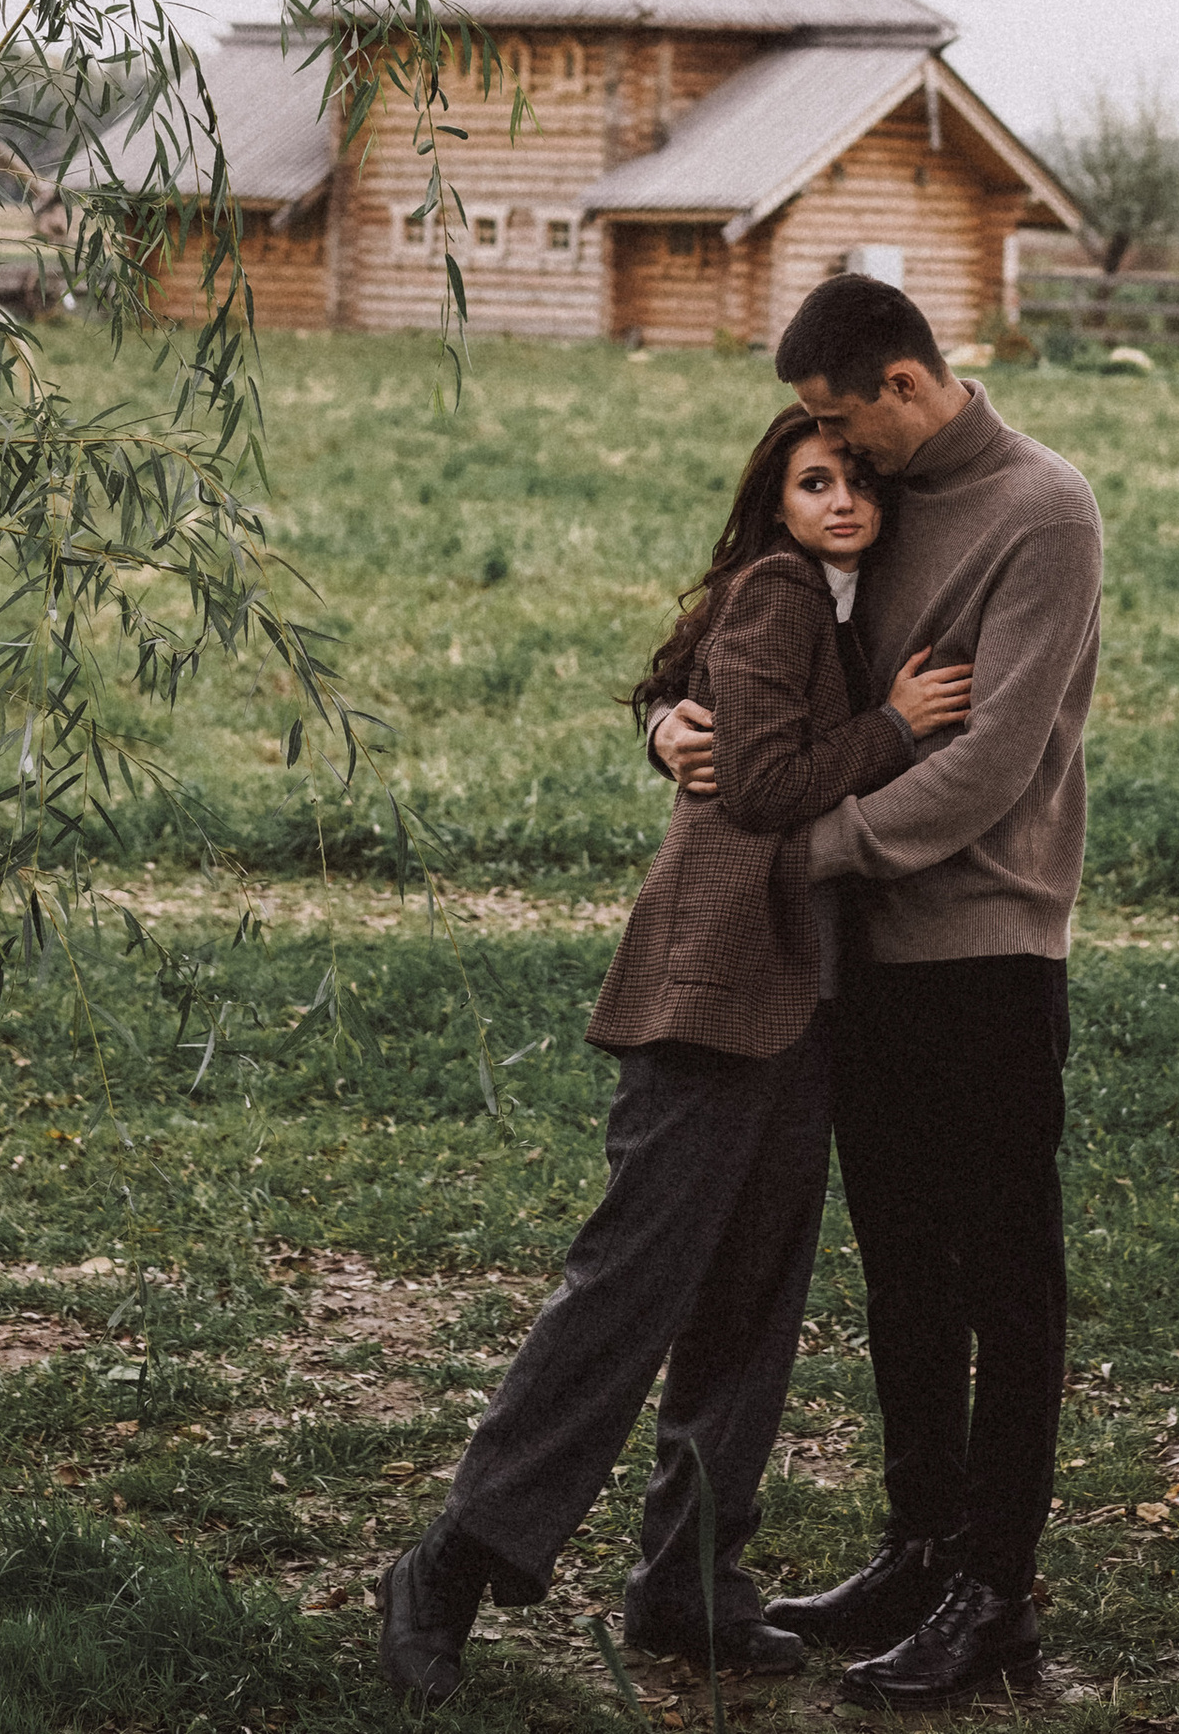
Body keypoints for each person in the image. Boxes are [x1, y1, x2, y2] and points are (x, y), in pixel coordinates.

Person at [377, 408, 974, 1710]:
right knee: (628, 1289)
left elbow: (706, 710)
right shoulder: (776, 592)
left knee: (750, 1300)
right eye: (815, 479)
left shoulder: (834, 604)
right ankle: (450, 1560)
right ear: (775, 497)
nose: (844, 497)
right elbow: (762, 785)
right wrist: (899, 722)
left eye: (861, 477)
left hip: (799, 1001)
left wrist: (677, 713)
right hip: (710, 995)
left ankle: (691, 1580)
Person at [651, 278, 1102, 1708]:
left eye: (842, 419)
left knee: (1005, 1276)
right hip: (864, 956)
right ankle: (919, 1545)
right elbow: (778, 666)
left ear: (906, 382)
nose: (828, 451)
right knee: (904, 1262)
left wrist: (802, 852)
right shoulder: (878, 499)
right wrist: (670, 718)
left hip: (986, 940)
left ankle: (995, 1588)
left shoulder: (1044, 509)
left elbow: (993, 761)